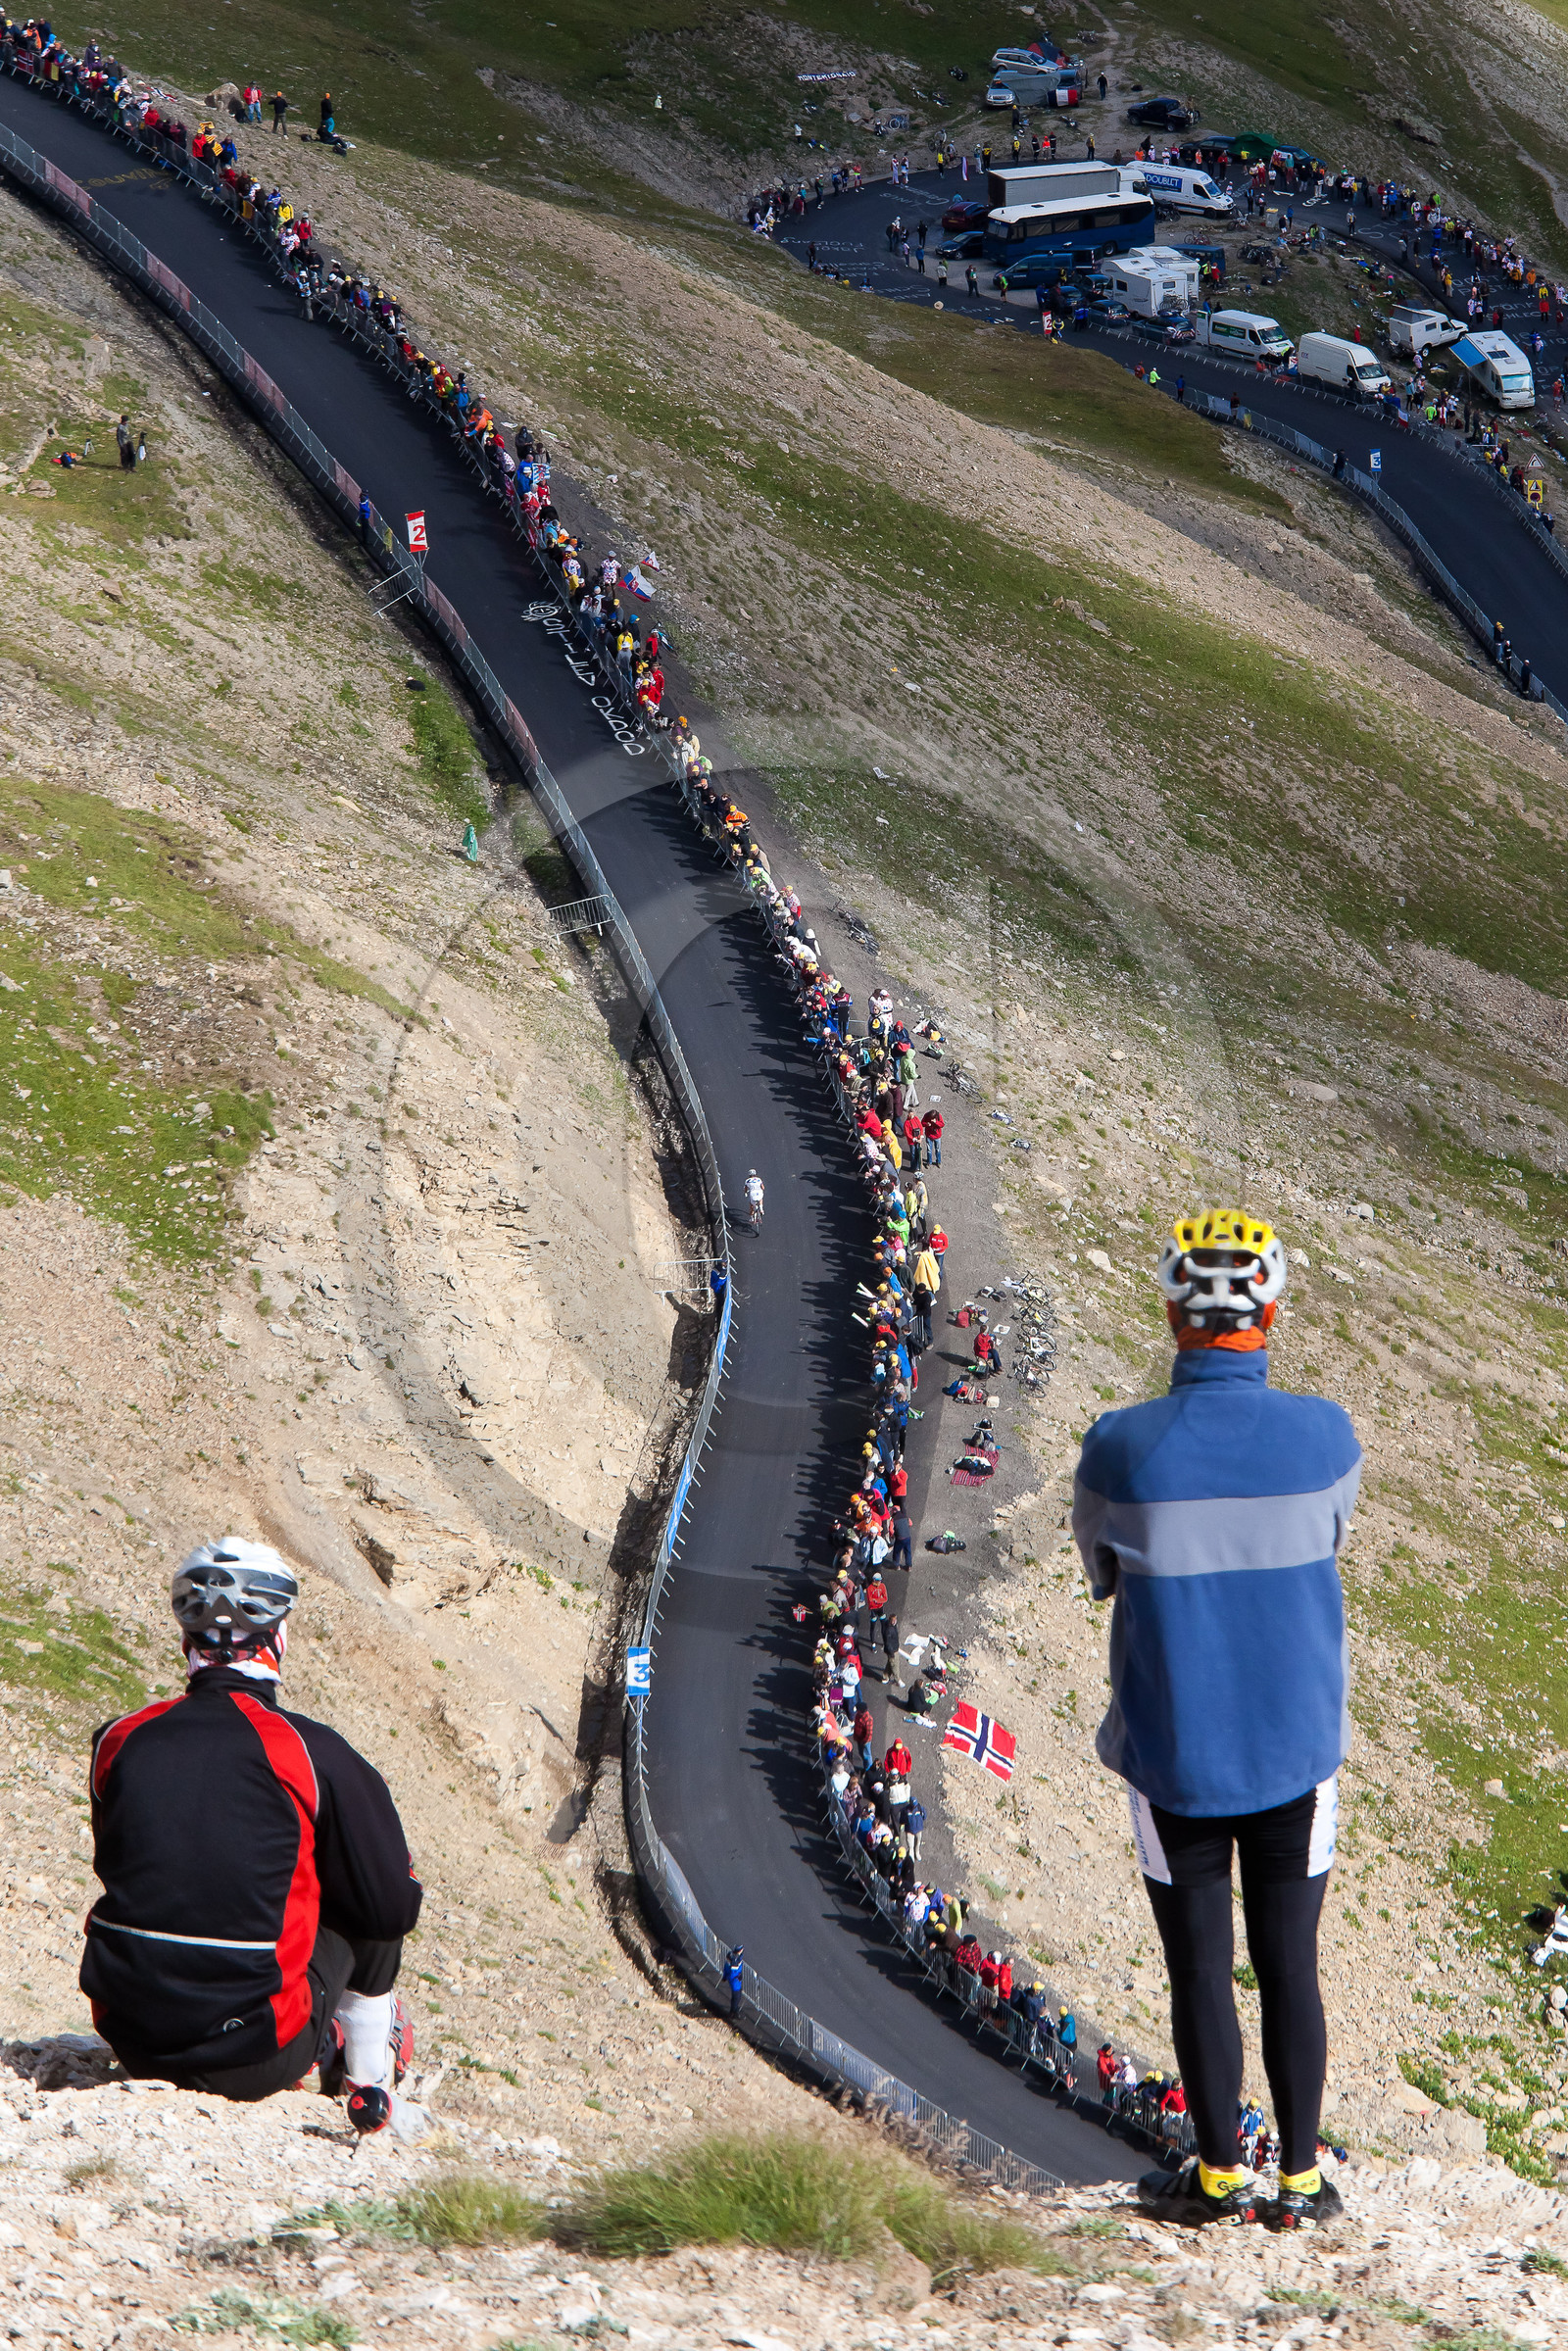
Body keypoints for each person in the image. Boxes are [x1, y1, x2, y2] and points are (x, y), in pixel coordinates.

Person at [1073, 1211, 1361, 2230]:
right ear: (1270, 1313)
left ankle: (1216, 2176)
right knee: (1290, 1965)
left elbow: (1101, 1569)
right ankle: (1300, 2182)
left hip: (1175, 1754)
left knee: (1198, 1966)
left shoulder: (1118, 1447)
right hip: (1295, 1751)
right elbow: (1330, 1532)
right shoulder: (1327, 1435)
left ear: (1171, 1313)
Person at [82, 1540, 422, 2133]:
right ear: (279, 1638)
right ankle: (367, 2081)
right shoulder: (315, 1753)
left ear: (187, 1641)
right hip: (254, 2057)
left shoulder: (118, 1739)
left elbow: (122, 1857)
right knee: (374, 1893)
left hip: (131, 2036)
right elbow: (391, 1909)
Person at [725, 1944, 745, 2015]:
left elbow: (726, 1967)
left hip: (734, 1980)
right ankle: (733, 2012)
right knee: (736, 1997)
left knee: (735, 1997)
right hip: (735, 1981)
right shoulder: (735, 1960)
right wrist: (738, 1976)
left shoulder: (731, 1956)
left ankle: (733, 2011)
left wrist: (725, 1976)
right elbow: (733, 1971)